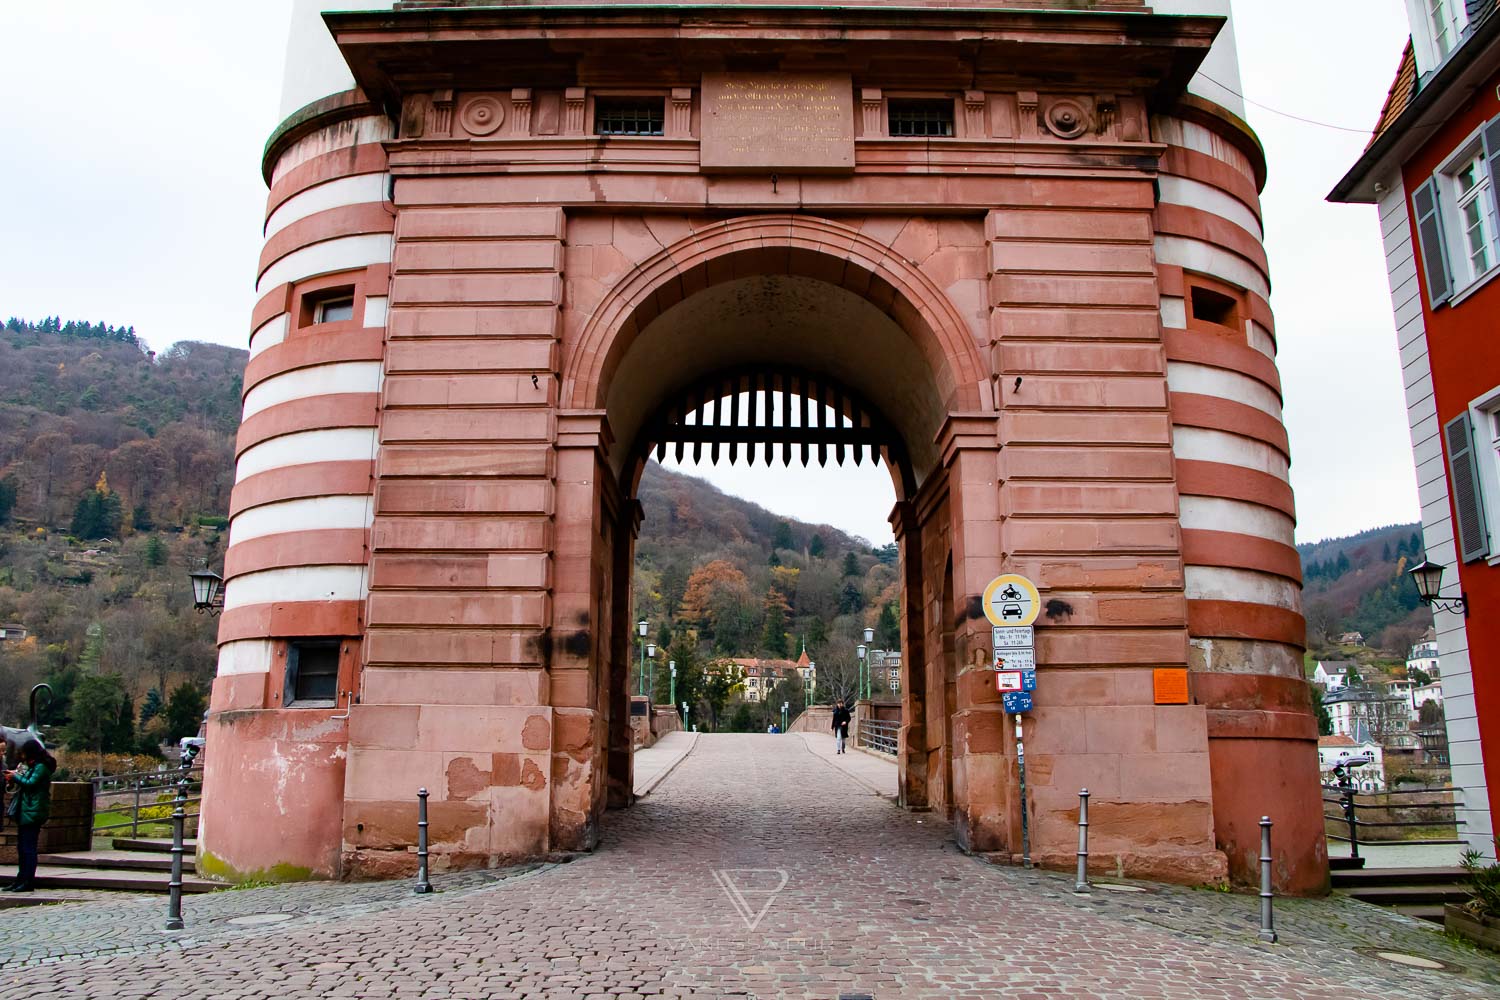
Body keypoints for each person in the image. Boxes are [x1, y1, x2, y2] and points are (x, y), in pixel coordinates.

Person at [5, 741, 56, 893]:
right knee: (22, 847)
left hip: (33, 812)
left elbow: (30, 783)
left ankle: (28, 881)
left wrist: (15, 777)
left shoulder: (41, 767)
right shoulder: (32, 765)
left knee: (28, 848)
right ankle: (20, 879)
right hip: (26, 810)